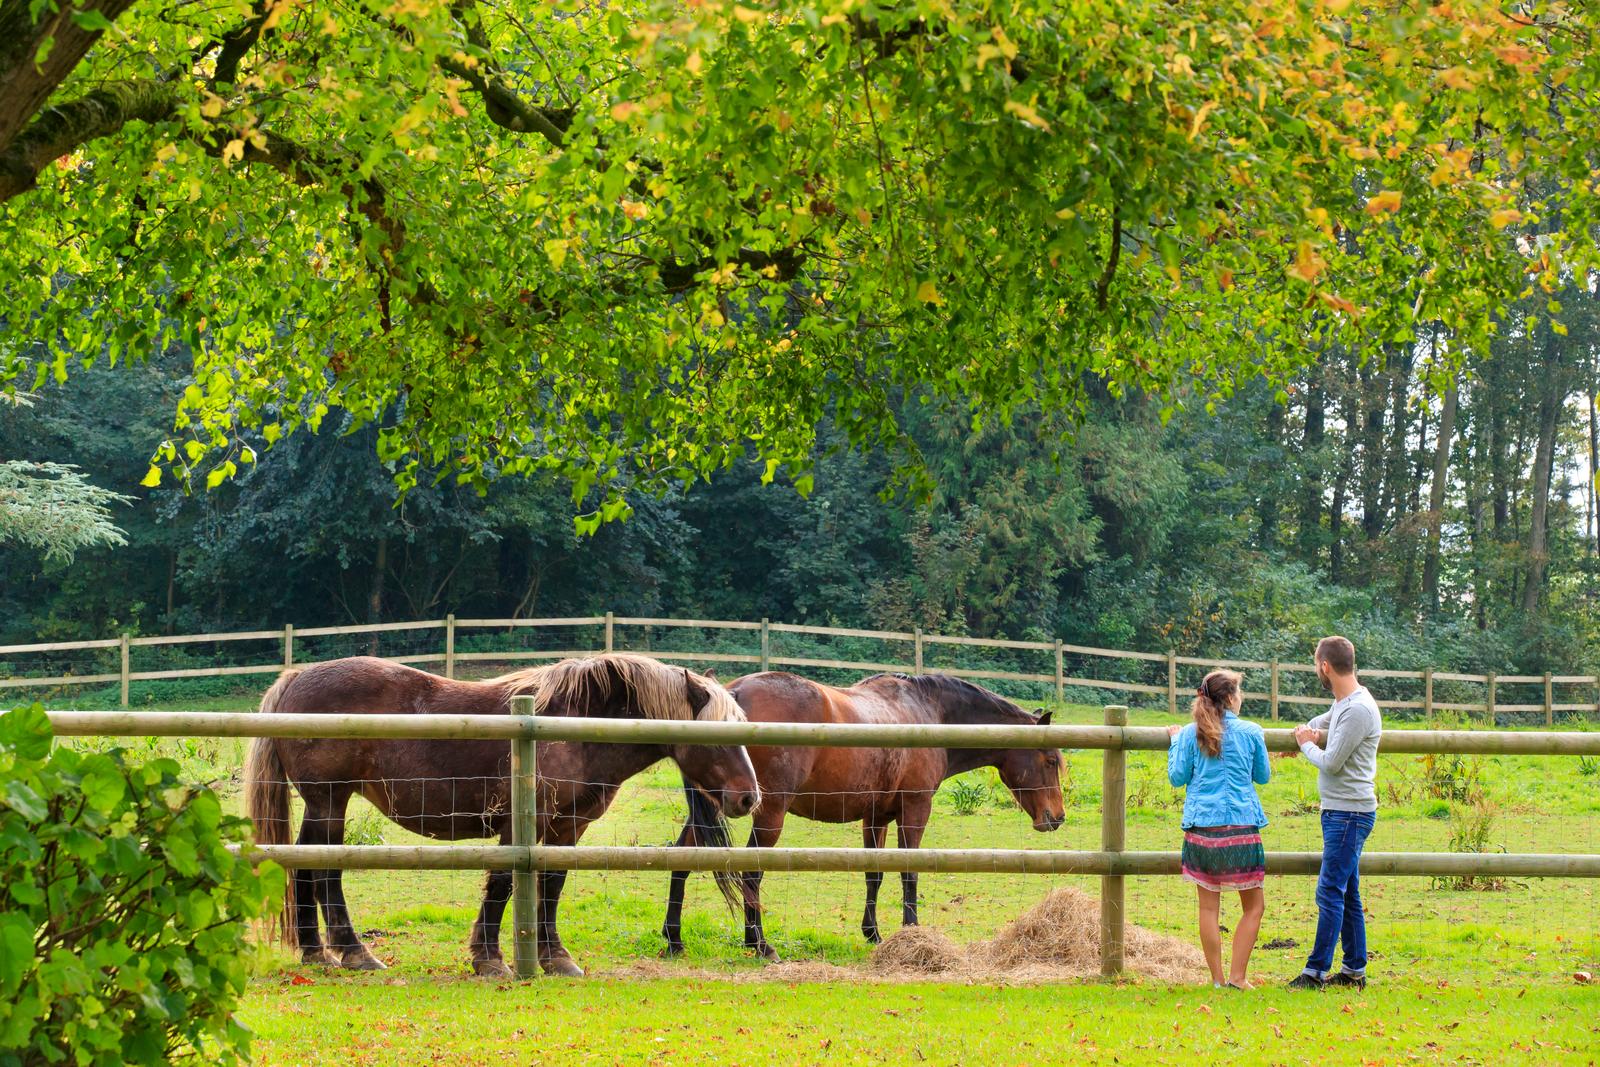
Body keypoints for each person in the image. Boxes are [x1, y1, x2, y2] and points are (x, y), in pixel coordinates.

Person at [1285, 635, 1383, 991]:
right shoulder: (1345, 702)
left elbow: (1332, 762)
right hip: (1341, 812)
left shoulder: (1357, 709)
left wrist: (1306, 745)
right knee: (1347, 892)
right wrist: (1303, 736)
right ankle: (1355, 970)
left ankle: (1315, 972)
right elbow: (1320, 721)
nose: (1317, 671)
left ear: (1325, 666)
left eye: (1316, 665)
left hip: (1349, 814)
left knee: (1328, 891)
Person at [1166, 668, 1270, 989]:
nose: (1241, 699)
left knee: (1208, 907)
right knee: (1254, 906)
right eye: (1239, 693)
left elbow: (1177, 777)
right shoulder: (1252, 732)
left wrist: (1173, 742)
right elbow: (1263, 776)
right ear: (1229, 698)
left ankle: (1217, 979)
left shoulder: (1186, 733)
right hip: (1240, 829)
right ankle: (1238, 977)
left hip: (1202, 831)